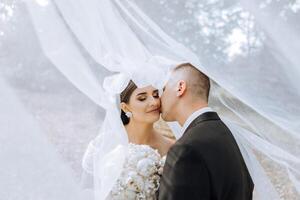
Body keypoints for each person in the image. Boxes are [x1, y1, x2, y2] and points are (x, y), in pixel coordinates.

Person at [158, 63, 254, 200]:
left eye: (164, 89)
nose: (160, 98)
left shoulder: (186, 149)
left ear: (180, 88)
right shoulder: (225, 133)